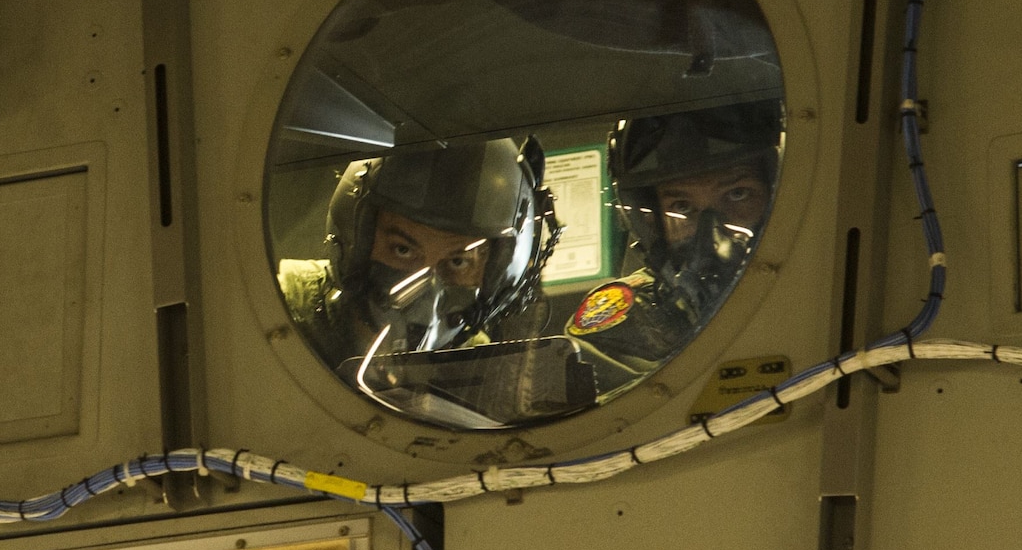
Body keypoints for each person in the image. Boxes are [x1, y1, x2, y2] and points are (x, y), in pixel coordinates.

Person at [278, 136, 560, 380]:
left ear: (496, 272)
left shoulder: (480, 370)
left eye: (458, 261)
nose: (427, 289)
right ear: (356, 244)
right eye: (403, 250)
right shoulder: (278, 314)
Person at [565, 99, 783, 384]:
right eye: (682, 207)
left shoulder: (828, 281)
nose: (713, 235)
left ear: (776, 191)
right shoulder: (624, 326)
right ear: (652, 222)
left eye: (737, 194)